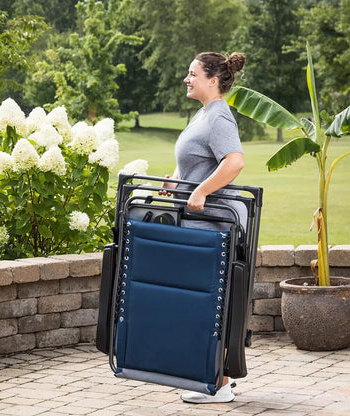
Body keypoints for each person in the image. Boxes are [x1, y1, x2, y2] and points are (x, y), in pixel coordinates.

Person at [160, 51, 246, 404]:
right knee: (199, 301)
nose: (186, 78)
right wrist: (176, 184)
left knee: (212, 302)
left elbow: (234, 161)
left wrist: (200, 190)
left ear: (212, 80)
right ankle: (207, 377)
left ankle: (218, 383)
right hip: (197, 225)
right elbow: (196, 162)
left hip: (215, 227)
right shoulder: (202, 114)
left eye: (192, 73)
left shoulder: (219, 116)